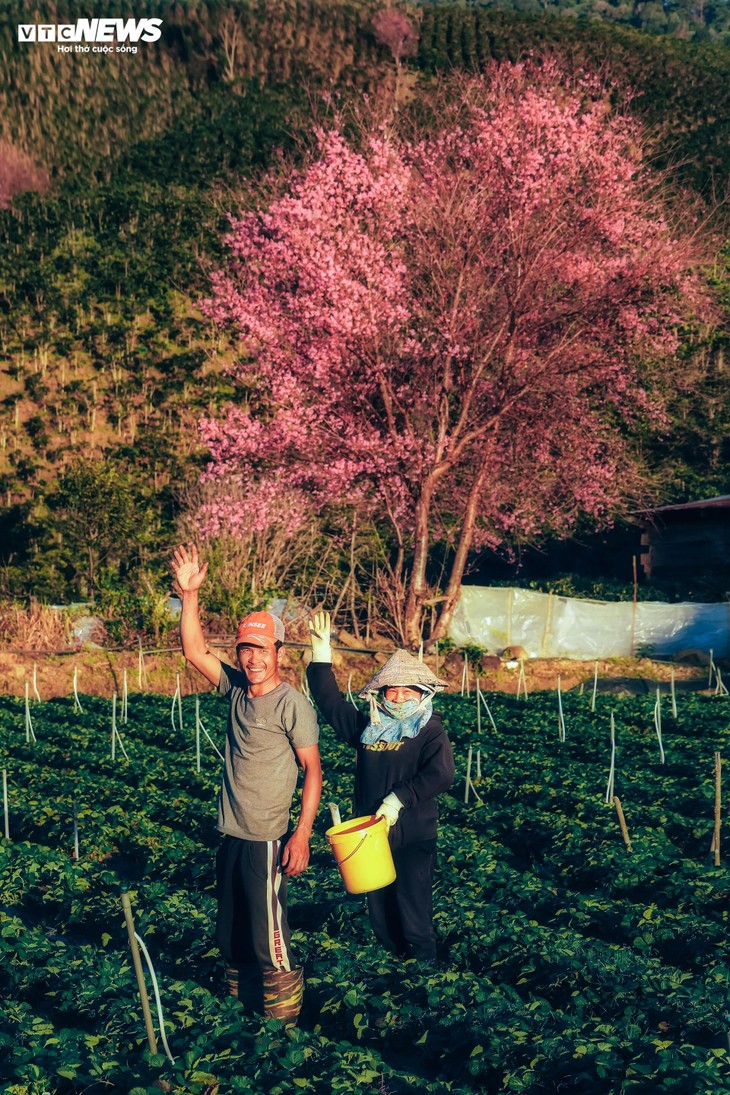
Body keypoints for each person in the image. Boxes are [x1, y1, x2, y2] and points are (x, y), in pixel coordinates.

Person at [171, 544, 322, 1026]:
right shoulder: (235, 689)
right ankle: (242, 1019)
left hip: (267, 838)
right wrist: (189, 597)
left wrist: (301, 835)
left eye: (261, 649)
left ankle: (281, 1030)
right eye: (245, 649)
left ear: (278, 652)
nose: (252, 659)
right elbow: (194, 650)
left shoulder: (291, 705)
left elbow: (313, 771)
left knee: (268, 936)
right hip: (232, 833)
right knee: (232, 934)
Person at [306, 612, 454, 964]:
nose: (399, 696)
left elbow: (441, 774)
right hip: (371, 839)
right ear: (381, 692)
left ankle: (424, 974)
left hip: (414, 837)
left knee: (413, 914)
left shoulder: (429, 730)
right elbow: (330, 704)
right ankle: (395, 973)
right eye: (392, 689)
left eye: (407, 690)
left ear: (421, 692)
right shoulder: (369, 728)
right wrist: (321, 656)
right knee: (381, 916)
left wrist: (397, 799)